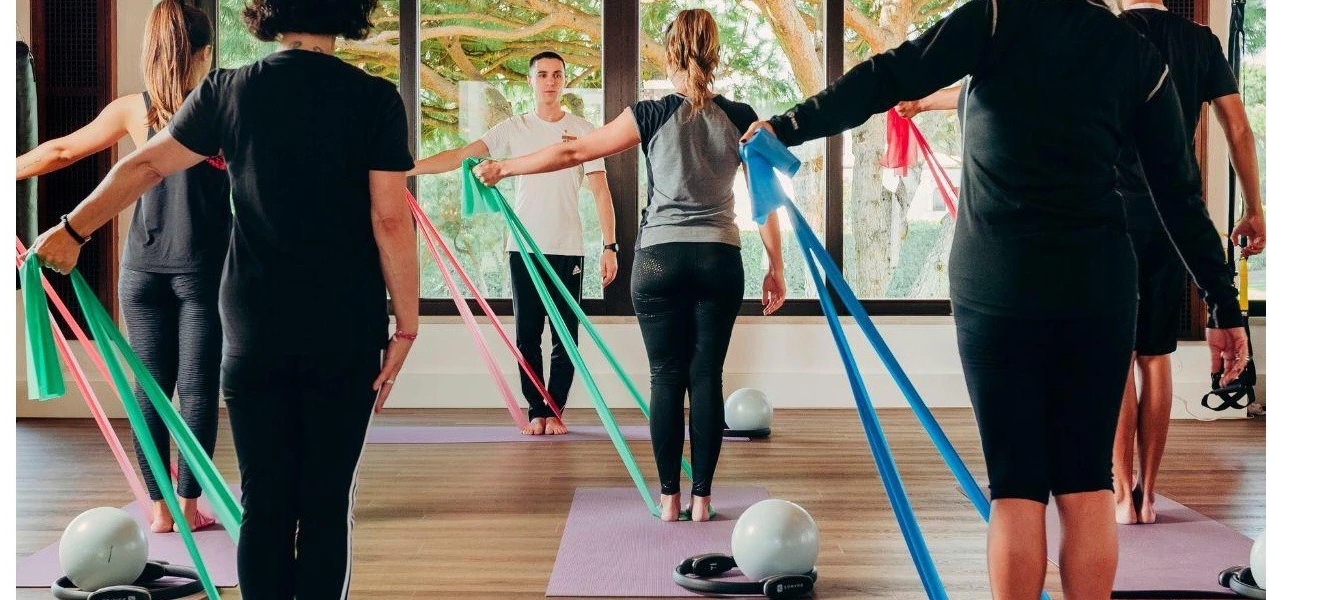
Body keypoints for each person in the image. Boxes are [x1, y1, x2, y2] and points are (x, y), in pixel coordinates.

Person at [740, 0, 1249, 597]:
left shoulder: (995, 18)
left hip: (999, 287)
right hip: (1096, 289)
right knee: (1086, 484)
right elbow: (1180, 197)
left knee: (1016, 486)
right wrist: (1224, 309)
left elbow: (886, 77)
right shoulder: (1136, 55)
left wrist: (786, 125)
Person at [31, 1, 419, 597]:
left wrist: (74, 228)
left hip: (254, 326)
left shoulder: (228, 90)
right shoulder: (375, 98)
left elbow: (148, 165)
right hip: (344, 327)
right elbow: (390, 220)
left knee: (263, 500)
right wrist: (408, 329)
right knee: (323, 503)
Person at [898, 0, 1268, 526]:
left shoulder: (1104, 36)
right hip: (1172, 222)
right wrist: (1254, 208)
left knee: (1112, 366)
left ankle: (1119, 492)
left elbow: (1012, 85)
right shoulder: (1200, 42)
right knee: (1156, 357)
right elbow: (1239, 130)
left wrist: (927, 101)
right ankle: (1150, 494)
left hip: (1107, 220)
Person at [474, 8, 787, 522]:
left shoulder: (649, 112)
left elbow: (570, 154)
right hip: (718, 257)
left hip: (659, 259)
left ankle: (669, 500)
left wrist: (507, 166)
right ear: (715, 54)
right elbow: (766, 199)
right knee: (706, 375)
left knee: (666, 376)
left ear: (670, 55)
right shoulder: (742, 115)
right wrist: (775, 266)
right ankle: (703, 500)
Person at [16, 0, 226, 534]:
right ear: (202, 53)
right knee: (197, 388)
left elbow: (60, 151)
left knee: (149, 386)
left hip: (142, 268)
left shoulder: (136, 108)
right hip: (203, 270)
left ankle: (159, 512)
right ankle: (188, 507)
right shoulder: (222, 107)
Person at [408, 51, 618, 436]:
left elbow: (601, 192)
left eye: (557, 74)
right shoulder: (513, 128)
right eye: (542, 75)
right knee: (527, 334)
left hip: (568, 247)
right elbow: (460, 156)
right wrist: (412, 168)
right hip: (522, 247)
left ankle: (556, 410)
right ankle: (536, 409)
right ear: (530, 81)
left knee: (564, 336)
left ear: (565, 80)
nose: (550, 82)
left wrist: (610, 246)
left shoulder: (584, 130)